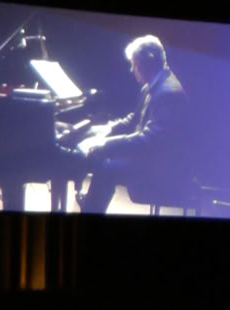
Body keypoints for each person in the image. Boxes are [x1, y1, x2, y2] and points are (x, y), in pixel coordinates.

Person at [74, 35, 190, 213]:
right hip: (153, 158)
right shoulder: (154, 84)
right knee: (103, 159)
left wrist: (106, 144)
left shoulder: (168, 93)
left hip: (163, 169)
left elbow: (150, 139)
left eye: (134, 64)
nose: (132, 69)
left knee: (105, 166)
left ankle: (91, 209)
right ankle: (92, 205)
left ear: (146, 64)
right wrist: (109, 129)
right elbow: (134, 119)